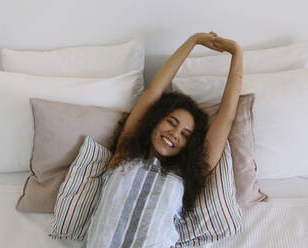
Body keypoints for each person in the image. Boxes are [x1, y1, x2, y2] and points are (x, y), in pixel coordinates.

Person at [103, 31, 243, 217]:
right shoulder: (125, 153)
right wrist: (194, 40)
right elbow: (154, 90)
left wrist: (237, 53)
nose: (175, 133)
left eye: (185, 134)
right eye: (171, 122)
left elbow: (226, 117)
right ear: (154, 120)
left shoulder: (186, 176)